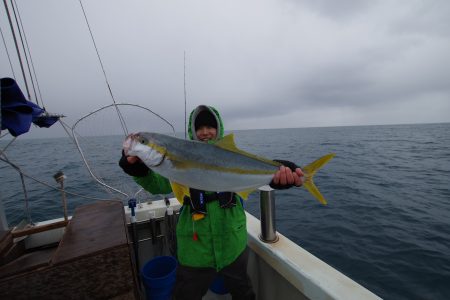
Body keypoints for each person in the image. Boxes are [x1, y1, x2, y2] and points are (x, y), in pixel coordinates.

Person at [119, 105, 303, 300]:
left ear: (219, 129)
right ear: (192, 131)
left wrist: (277, 175)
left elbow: (254, 176)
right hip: (195, 248)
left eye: (210, 127)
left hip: (233, 244)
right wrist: (137, 170)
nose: (205, 132)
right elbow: (156, 184)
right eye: (199, 128)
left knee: (244, 293)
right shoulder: (177, 158)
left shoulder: (233, 156)